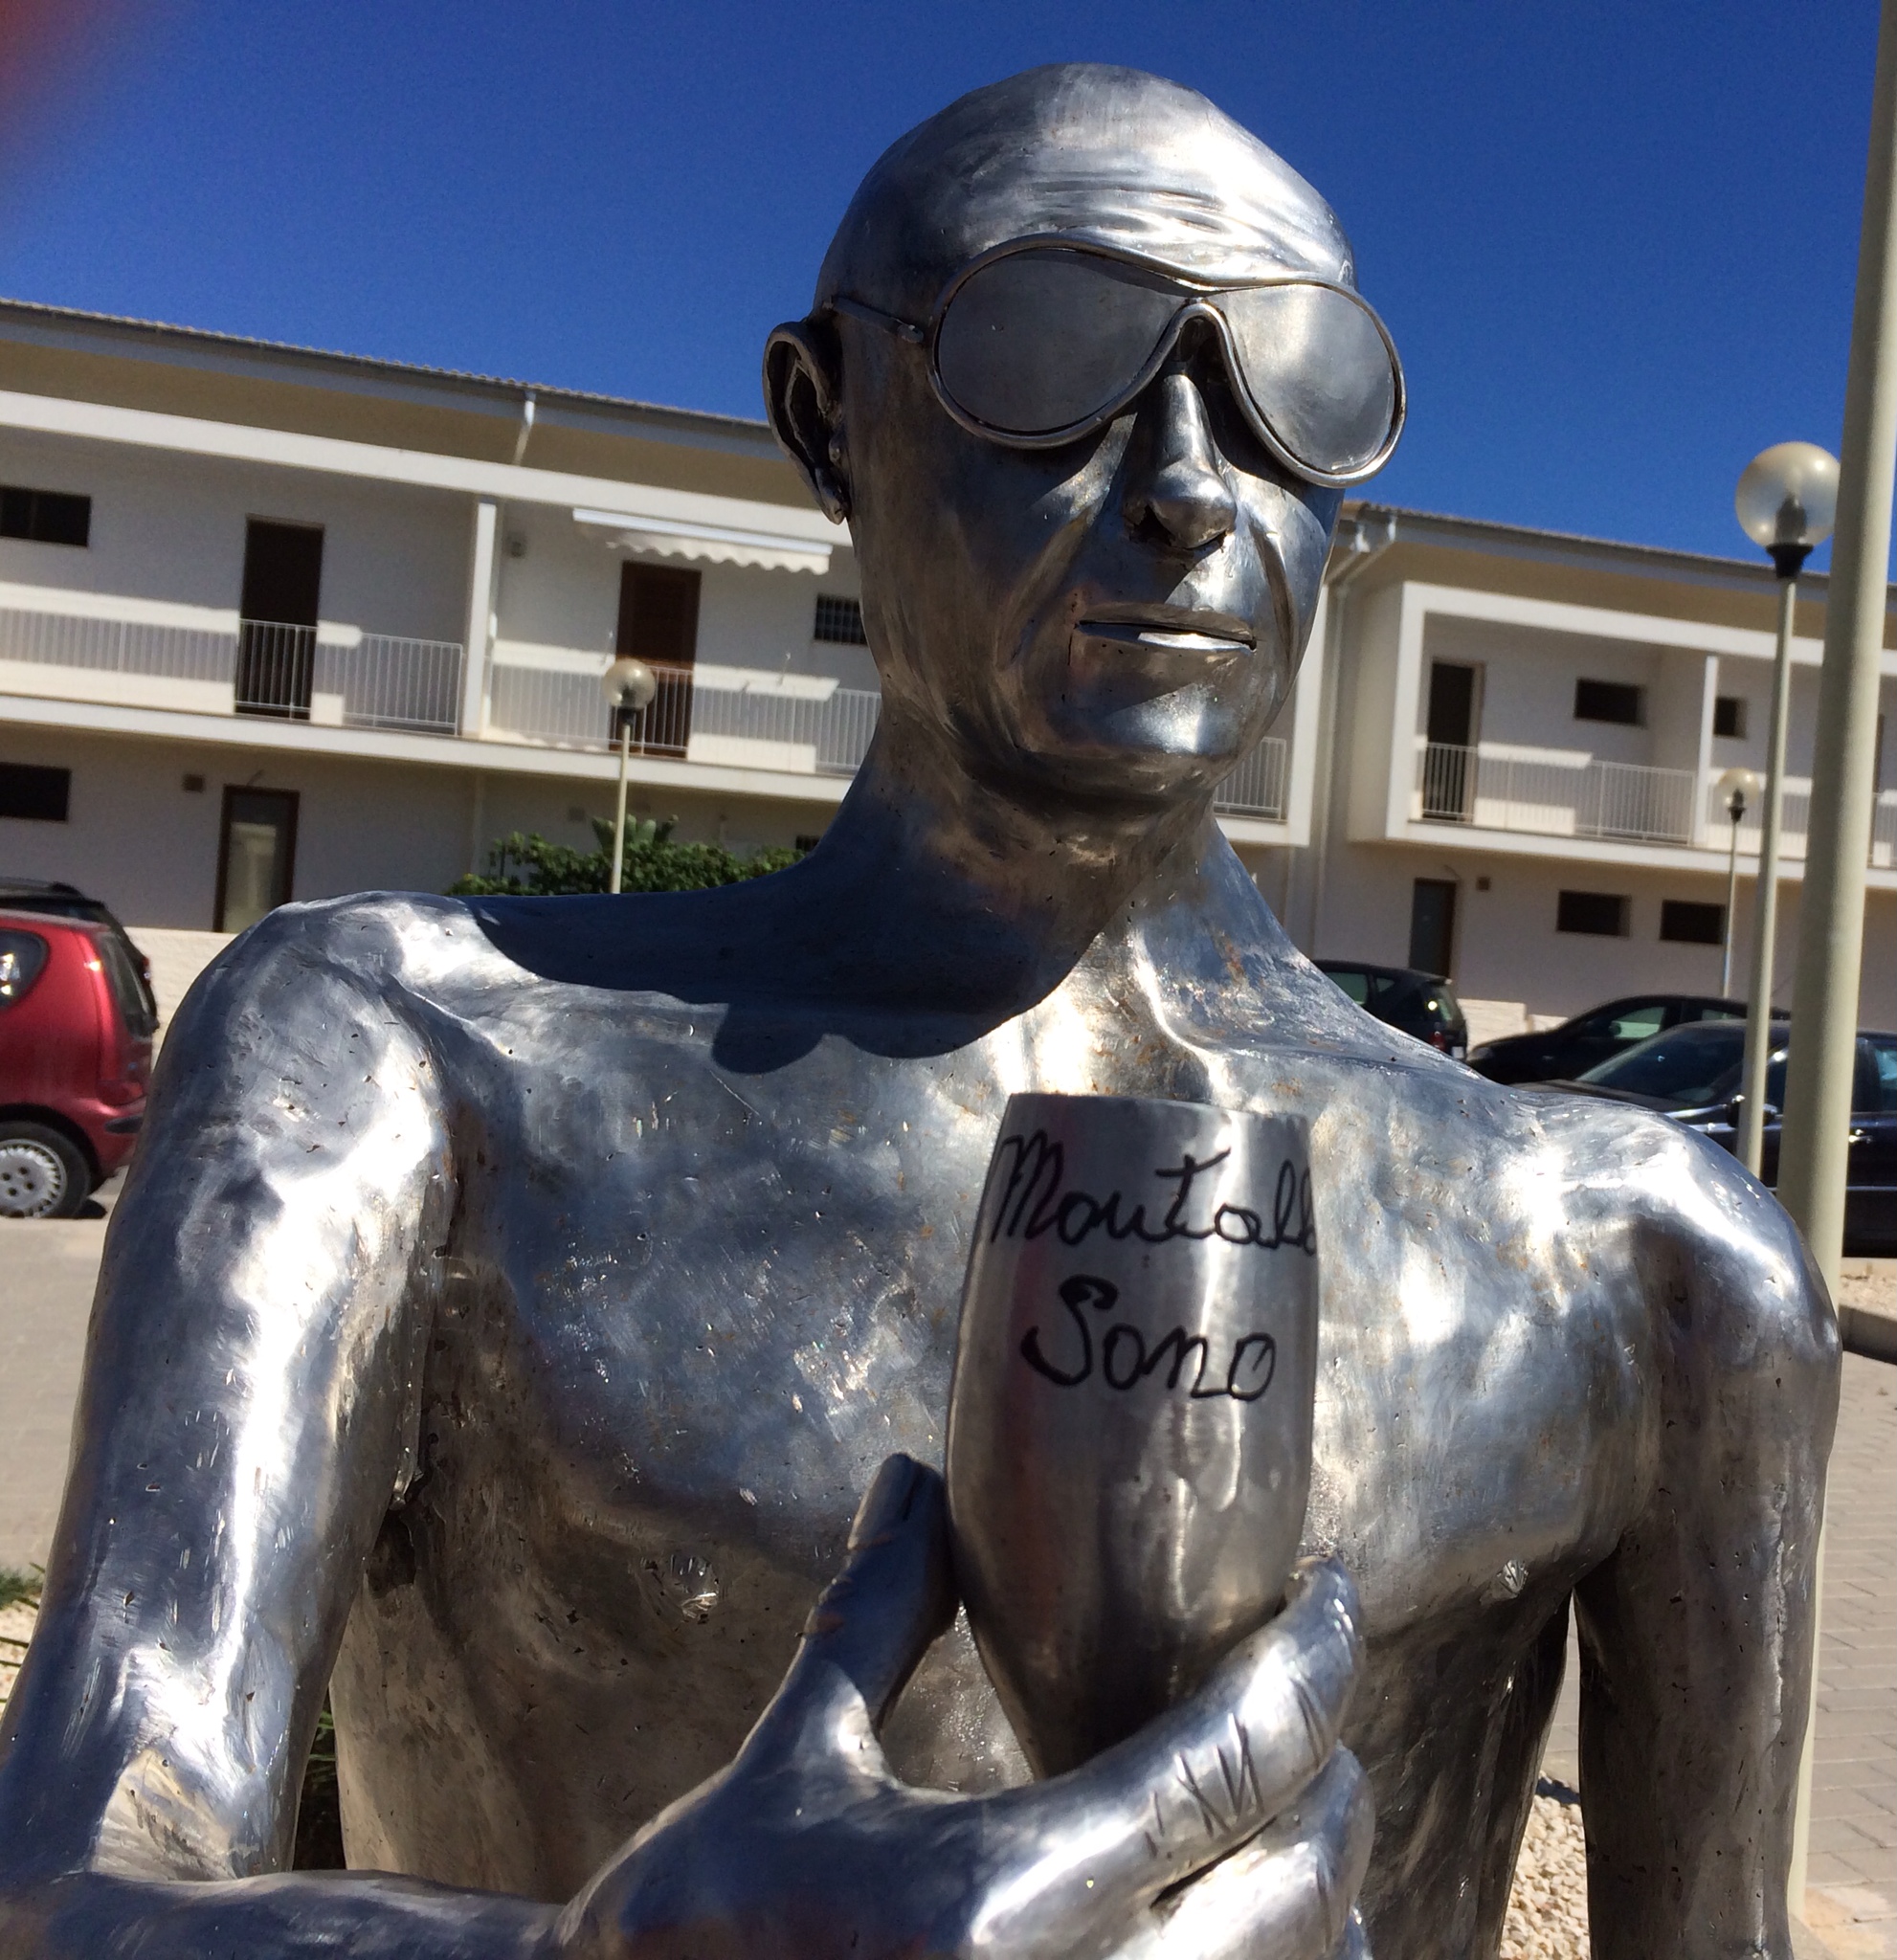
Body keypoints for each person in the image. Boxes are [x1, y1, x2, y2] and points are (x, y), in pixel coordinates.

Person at [0, 64, 1835, 1960]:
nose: (1194, 490)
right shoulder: (404, 1055)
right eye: (1052, 353)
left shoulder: (1642, 1262)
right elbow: (65, 1886)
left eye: (1295, 393)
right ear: (829, 419)